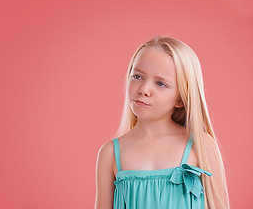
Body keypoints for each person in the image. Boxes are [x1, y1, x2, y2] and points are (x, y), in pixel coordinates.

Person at [95, 36, 230, 209]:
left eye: (160, 83)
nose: (143, 89)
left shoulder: (201, 146)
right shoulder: (110, 153)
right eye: (137, 76)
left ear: (181, 99)